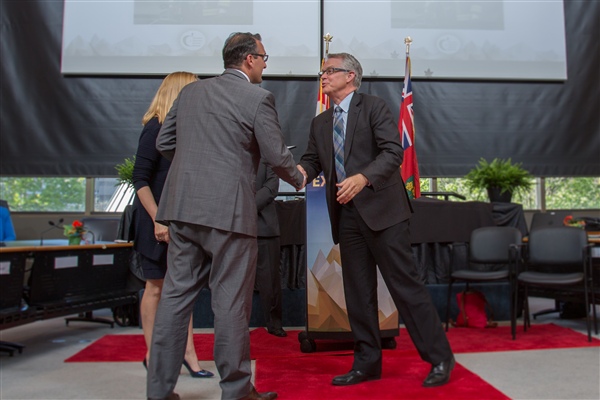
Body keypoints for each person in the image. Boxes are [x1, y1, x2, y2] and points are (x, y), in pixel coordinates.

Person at [147, 32, 306, 400]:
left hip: (183, 209)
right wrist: (300, 178)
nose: (265, 64)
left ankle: (158, 392)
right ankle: (236, 391)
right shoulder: (257, 98)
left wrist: (197, 166)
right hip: (230, 213)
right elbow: (276, 155)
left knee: (175, 299)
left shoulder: (191, 92)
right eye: (264, 58)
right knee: (231, 303)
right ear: (249, 59)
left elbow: (164, 143)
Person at [297, 53, 455, 388]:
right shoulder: (320, 123)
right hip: (346, 215)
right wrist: (296, 172)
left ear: (350, 75)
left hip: (385, 213)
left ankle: (440, 357)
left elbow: (393, 152)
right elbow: (311, 161)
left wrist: (362, 178)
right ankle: (367, 363)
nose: (323, 76)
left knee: (405, 287)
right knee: (358, 293)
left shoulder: (373, 107)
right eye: (322, 71)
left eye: (330, 70)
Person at [132, 72, 214, 381]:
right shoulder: (155, 126)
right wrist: (158, 218)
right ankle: (152, 353)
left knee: (182, 288)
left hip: (180, 219)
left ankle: (188, 353)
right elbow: (140, 180)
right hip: (155, 219)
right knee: (155, 287)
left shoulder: (186, 130)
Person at [255, 160, 286, 338]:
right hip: (234, 227)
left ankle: (274, 323)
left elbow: (271, 187)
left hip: (265, 228)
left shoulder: (267, 158)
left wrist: (246, 206)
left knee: (271, 280)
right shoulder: (232, 154)